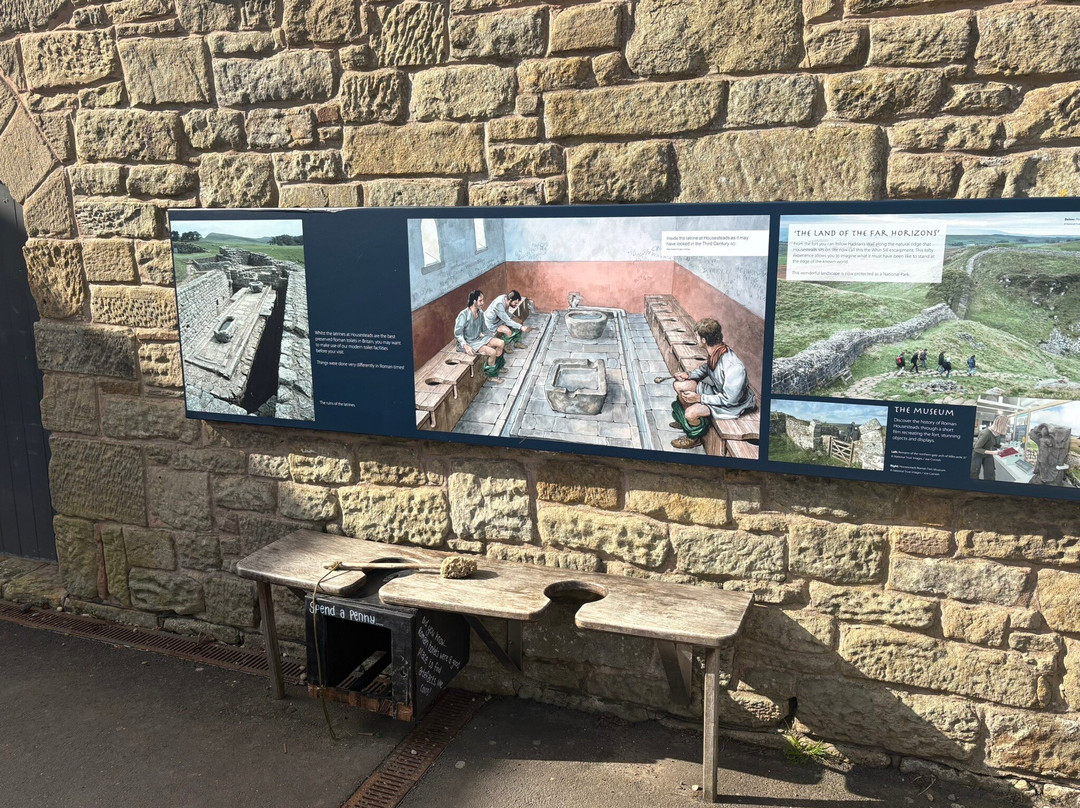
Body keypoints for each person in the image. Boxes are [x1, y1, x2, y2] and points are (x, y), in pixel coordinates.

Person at [669, 318, 756, 450]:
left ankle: (694, 437)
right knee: (679, 385)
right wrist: (689, 375)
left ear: (704, 340)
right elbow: (707, 368)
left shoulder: (734, 366)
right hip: (718, 393)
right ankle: (688, 423)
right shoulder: (716, 352)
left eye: (697, 336)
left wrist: (699, 398)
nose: (696, 338)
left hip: (732, 405)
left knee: (690, 413)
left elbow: (730, 400)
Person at [454, 290, 505, 384]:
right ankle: (492, 375)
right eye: (480, 301)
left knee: (501, 343)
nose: (483, 303)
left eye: (483, 300)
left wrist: (492, 337)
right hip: (469, 342)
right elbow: (458, 333)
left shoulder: (480, 313)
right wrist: (466, 346)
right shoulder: (464, 314)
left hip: (479, 339)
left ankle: (496, 366)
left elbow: (484, 329)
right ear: (474, 301)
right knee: (493, 352)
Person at [483, 289, 532, 353]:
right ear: (510, 300)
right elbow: (506, 320)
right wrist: (521, 327)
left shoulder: (505, 298)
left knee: (519, 322)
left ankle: (517, 342)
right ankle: (506, 345)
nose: (516, 305)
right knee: (508, 331)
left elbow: (506, 313)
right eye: (515, 303)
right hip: (492, 324)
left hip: (499, 320)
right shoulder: (499, 304)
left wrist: (517, 321)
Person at [971, 415, 1010, 480]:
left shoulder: (996, 432)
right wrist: (994, 452)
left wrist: (1002, 447)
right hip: (978, 453)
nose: (1008, 426)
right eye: (1006, 424)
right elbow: (977, 448)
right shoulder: (986, 433)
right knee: (974, 472)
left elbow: (993, 443)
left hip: (988, 453)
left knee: (990, 472)